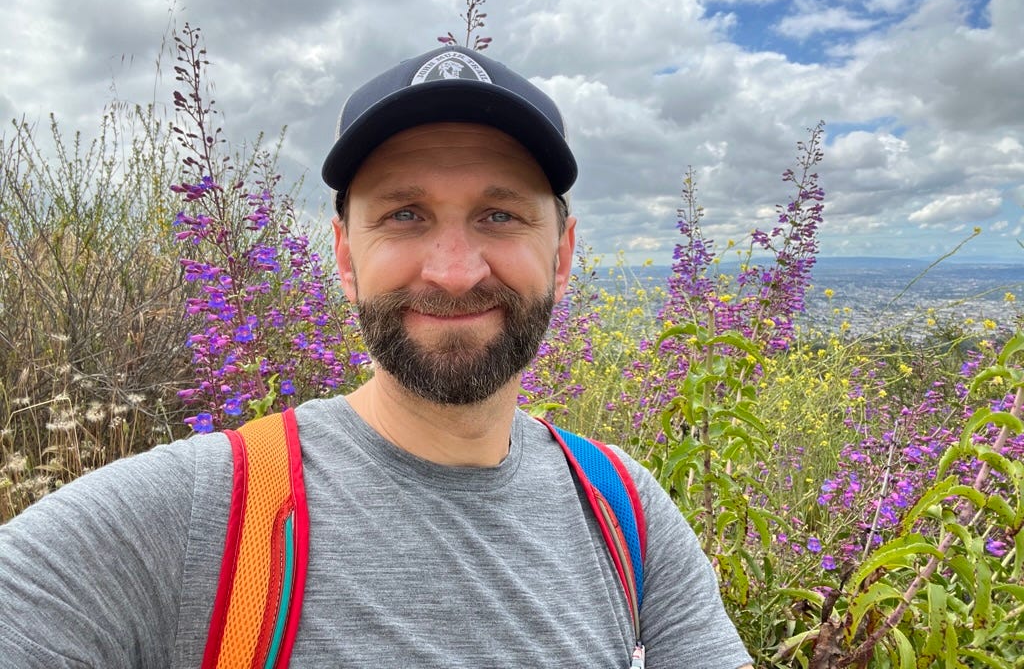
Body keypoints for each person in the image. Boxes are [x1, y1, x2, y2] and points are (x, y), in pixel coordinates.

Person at [0, 45, 754, 668]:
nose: (454, 271)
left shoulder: (627, 515)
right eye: (404, 215)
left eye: (499, 215)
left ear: (562, 254)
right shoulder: (199, 516)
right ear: (346, 256)